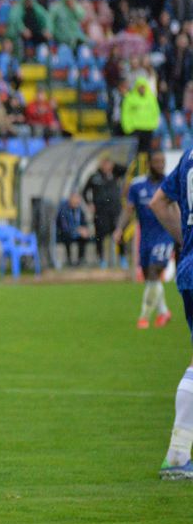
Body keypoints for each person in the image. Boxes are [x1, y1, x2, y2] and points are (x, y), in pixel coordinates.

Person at [149, 146, 193, 478]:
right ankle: (177, 455)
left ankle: (178, 454)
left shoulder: (190, 153)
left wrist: (186, 241)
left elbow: (158, 202)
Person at [116, 151, 174, 329]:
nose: (160, 165)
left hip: (164, 235)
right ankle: (164, 312)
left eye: (162, 162)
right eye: (156, 161)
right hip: (145, 237)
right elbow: (129, 209)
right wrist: (120, 228)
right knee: (150, 275)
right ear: (149, 163)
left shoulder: (170, 183)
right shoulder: (137, 185)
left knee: (155, 272)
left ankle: (144, 317)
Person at [83, 155, 124, 267]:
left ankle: (122, 258)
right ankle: (102, 260)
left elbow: (125, 169)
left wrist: (114, 165)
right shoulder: (94, 177)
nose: (107, 166)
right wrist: (89, 203)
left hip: (115, 210)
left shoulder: (115, 174)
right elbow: (84, 191)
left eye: (109, 164)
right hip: (100, 212)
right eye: (104, 164)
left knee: (119, 234)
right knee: (100, 236)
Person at [122, 76, 160, 156]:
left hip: (148, 129)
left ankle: (146, 168)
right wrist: (128, 128)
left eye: (143, 86)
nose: (141, 88)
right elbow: (125, 114)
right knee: (134, 152)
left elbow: (155, 112)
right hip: (135, 129)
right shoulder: (130, 98)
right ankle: (136, 168)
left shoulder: (151, 98)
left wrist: (154, 125)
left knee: (147, 152)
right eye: (140, 86)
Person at [56, 192, 92, 266]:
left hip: (77, 233)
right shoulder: (64, 210)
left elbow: (84, 222)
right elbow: (64, 227)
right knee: (67, 237)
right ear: (70, 200)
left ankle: (80, 259)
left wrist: (85, 230)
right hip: (65, 233)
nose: (77, 202)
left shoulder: (79, 210)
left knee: (84, 237)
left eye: (78, 200)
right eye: (75, 200)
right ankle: (69, 260)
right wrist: (77, 230)